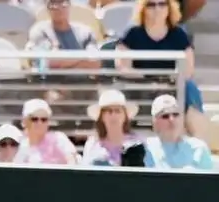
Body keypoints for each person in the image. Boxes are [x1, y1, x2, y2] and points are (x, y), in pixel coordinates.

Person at [115, 0, 209, 140]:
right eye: (151, 4)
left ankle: (199, 143)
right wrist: (149, 80)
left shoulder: (179, 34)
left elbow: (188, 70)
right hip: (140, 88)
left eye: (162, 4)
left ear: (169, 8)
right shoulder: (132, 34)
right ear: (143, 9)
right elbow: (122, 67)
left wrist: (167, 82)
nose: (157, 8)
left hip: (171, 86)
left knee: (189, 87)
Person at [142, 94, 213, 170]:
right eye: (165, 116)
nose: (171, 119)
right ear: (155, 123)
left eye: (175, 114)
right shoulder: (145, 149)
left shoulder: (199, 148)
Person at [81, 89, 142, 166]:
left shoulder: (137, 142)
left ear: (125, 116)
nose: (113, 115)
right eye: (109, 111)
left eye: (117, 111)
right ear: (101, 117)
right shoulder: (92, 144)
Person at [13, 98, 78, 164]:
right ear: (25, 121)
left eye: (44, 119)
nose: (40, 123)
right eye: (34, 119)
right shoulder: (18, 145)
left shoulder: (59, 139)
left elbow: (72, 162)